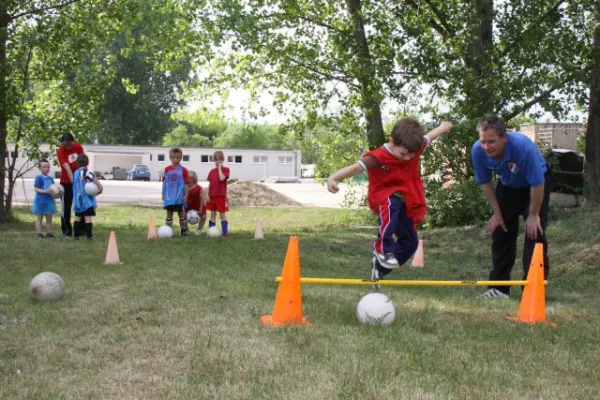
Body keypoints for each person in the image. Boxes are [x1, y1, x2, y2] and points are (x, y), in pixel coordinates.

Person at [327, 118, 453, 289]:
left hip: (405, 200)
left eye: (411, 155)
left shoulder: (414, 145)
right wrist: (334, 178)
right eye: (403, 154)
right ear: (392, 141)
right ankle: (382, 250)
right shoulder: (378, 156)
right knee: (390, 204)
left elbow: (430, 136)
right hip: (381, 195)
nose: (407, 158)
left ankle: (380, 268)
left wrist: (443, 128)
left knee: (411, 243)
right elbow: (356, 168)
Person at [472, 115, 552, 299]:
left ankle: (533, 290)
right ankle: (499, 289)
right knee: (501, 230)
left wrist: (533, 215)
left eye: (491, 141)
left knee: (535, 233)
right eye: (483, 141)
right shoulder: (478, 150)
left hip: (535, 186)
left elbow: (538, 182)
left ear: (504, 137)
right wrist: (497, 213)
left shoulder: (522, 147)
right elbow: (484, 182)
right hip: (508, 186)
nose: (486, 146)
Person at [56, 132, 85, 238]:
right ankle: (67, 231)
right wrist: (73, 180)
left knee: (81, 205)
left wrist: (82, 177)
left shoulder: (78, 147)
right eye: (65, 144)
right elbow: (67, 168)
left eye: (69, 143)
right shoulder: (60, 151)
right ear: (62, 142)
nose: (67, 146)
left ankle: (82, 230)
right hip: (66, 182)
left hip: (80, 180)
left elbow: (83, 162)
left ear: (72, 141)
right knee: (66, 207)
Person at [162, 148, 191, 236]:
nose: (175, 160)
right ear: (170, 158)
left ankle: (184, 230)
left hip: (179, 196)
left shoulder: (184, 170)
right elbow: (164, 182)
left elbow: (186, 184)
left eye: (178, 157)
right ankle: (168, 231)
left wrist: (186, 195)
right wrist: (163, 193)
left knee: (181, 213)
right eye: (173, 157)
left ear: (181, 158)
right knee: (169, 213)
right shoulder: (167, 169)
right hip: (169, 196)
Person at [72, 154, 103, 240]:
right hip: (87, 201)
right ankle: (89, 236)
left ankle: (76, 236)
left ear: (77, 164)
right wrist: (100, 189)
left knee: (77, 217)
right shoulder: (88, 173)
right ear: (87, 163)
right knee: (87, 218)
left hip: (78, 201)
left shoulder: (75, 173)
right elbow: (96, 183)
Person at [205, 150, 230, 237]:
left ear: (223, 159)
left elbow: (222, 178)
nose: (218, 161)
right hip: (212, 196)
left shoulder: (226, 170)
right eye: (216, 159)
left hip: (221, 196)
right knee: (212, 214)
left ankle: (225, 233)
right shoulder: (211, 171)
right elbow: (210, 184)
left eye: (220, 159)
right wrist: (207, 194)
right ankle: (212, 231)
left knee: (222, 214)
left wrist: (219, 168)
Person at [32, 159, 57, 239]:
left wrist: (57, 194)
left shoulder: (50, 179)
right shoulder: (39, 178)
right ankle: (39, 234)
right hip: (40, 201)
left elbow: (54, 189)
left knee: (49, 219)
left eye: (48, 167)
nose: (46, 168)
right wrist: (45, 191)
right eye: (44, 167)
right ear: (40, 168)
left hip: (49, 201)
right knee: (39, 219)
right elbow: (36, 189)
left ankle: (49, 234)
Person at [185, 170, 207, 236]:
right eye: (187, 177)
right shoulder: (184, 187)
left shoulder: (199, 188)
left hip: (198, 206)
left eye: (190, 178)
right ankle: (186, 230)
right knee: (182, 216)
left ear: (194, 179)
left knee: (204, 217)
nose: (188, 179)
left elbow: (202, 199)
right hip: (187, 206)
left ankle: (199, 230)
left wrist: (200, 210)